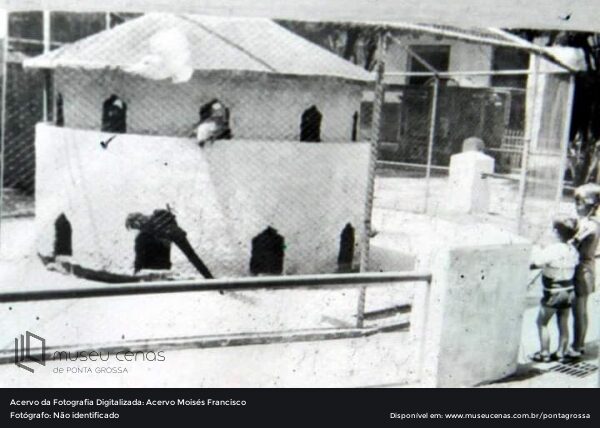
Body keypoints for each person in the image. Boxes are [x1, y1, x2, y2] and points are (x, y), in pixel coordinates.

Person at [530, 217, 579, 363]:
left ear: (556, 232)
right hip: (569, 291)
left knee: (542, 322)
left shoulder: (552, 249)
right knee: (563, 322)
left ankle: (544, 353)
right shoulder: (572, 250)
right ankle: (561, 353)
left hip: (554, 292)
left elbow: (536, 263)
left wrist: (537, 251)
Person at [567, 183, 600, 358]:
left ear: (591, 205)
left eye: (579, 202)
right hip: (583, 269)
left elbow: (573, 243)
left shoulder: (590, 225)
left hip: (582, 271)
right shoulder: (589, 223)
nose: (576, 205)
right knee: (580, 309)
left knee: (578, 311)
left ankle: (577, 346)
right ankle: (578, 343)